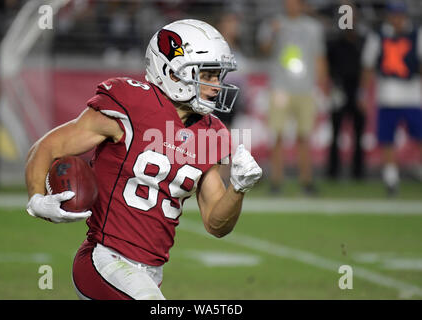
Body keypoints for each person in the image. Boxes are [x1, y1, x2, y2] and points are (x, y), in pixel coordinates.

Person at [24, 19, 262, 300]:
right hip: (104, 260)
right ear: (172, 73)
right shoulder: (130, 102)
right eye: (207, 75)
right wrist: (37, 199)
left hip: (150, 273)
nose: (216, 86)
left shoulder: (211, 132)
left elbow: (216, 224)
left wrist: (238, 188)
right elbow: (47, 147)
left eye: (218, 76)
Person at [257, 0, 329, 195]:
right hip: (280, 87)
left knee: (304, 137)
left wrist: (322, 86)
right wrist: (273, 32)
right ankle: (276, 181)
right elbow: (264, 49)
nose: (291, 5)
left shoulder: (313, 27)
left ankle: (306, 181)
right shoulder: (274, 24)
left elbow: (319, 56)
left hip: (305, 88)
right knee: (277, 135)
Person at [359, 1, 422, 196]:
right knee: (387, 139)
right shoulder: (378, 36)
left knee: (419, 135)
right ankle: (391, 177)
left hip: (412, 93)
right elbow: (368, 67)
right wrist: (362, 93)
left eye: (399, 15)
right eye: (393, 15)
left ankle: (417, 167)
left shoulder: (416, 34)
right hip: (387, 94)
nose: (396, 19)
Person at [326, 3, 366, 180]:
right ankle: (333, 171)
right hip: (339, 88)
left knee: (359, 134)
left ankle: (358, 172)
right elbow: (328, 67)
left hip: (356, 89)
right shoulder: (334, 42)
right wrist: (332, 87)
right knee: (335, 132)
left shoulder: (362, 41)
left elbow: (367, 67)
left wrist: (362, 92)